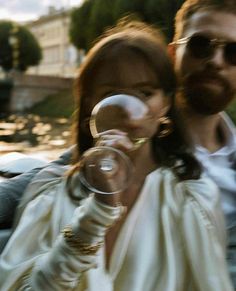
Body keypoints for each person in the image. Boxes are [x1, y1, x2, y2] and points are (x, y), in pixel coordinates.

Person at [0, 19, 233, 290]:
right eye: (112, 93)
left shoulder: (193, 199)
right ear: (89, 104)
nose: (127, 108)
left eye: (145, 93)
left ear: (166, 104)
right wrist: (98, 211)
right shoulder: (51, 192)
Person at [169, 0, 236, 286]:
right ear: (173, 53)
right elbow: (68, 167)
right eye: (201, 44)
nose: (216, 61)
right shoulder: (135, 135)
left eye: (233, 52)